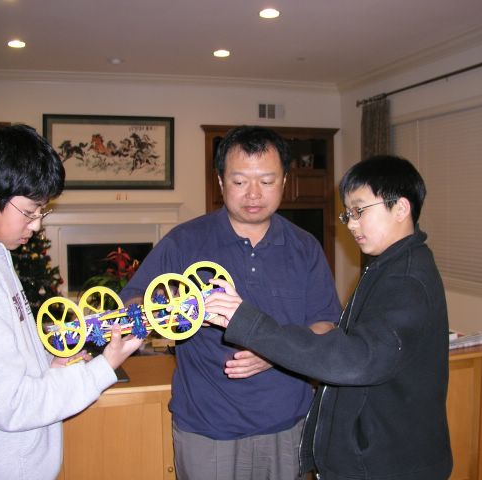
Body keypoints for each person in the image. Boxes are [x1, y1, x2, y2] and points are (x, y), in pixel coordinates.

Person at [204, 154, 453, 480]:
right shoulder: (387, 266)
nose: (350, 224)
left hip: (386, 466)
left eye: (359, 211)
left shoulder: (406, 279)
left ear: (400, 208)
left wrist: (249, 323)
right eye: (348, 213)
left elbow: (354, 359)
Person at [120, 125, 341, 479]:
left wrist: (275, 352)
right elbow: (132, 302)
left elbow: (326, 326)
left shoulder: (305, 248)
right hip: (206, 428)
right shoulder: (184, 242)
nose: (253, 194)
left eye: (266, 181)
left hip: (287, 425)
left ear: (284, 181)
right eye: (239, 181)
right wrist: (161, 303)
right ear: (221, 182)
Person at [0, 124, 142, 480]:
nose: (37, 226)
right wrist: (104, 368)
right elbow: (10, 404)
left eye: (43, 211)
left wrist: (48, 365)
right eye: (30, 211)